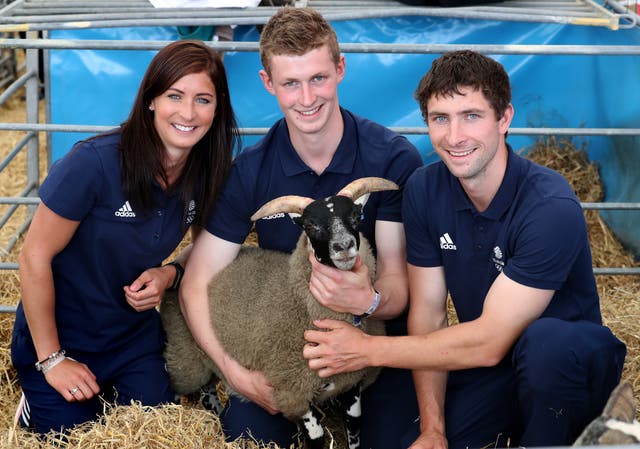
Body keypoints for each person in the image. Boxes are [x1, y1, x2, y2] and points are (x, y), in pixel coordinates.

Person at [302, 50, 627, 449]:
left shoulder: (549, 207)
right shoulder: (424, 190)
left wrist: (367, 349)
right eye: (440, 118)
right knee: (393, 441)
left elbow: (489, 340)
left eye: (471, 115)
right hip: (497, 365)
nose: (454, 137)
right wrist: (432, 430)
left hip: (570, 366)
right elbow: (429, 315)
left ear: (504, 119)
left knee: (546, 346)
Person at [180, 7, 423, 449]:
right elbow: (196, 284)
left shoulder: (391, 159)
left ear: (340, 69)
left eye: (318, 79)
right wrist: (236, 374)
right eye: (290, 83)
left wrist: (366, 301)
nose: (306, 98)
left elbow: (397, 281)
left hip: (372, 348)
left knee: (394, 439)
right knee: (249, 434)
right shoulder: (249, 173)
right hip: (288, 351)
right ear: (267, 83)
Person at [11, 39, 240, 434]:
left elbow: (205, 253)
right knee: (69, 433)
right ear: (151, 99)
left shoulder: (207, 170)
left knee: (156, 427)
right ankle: (33, 399)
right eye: (174, 96)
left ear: (217, 107)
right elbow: (33, 257)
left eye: (203, 99)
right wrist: (52, 360)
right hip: (63, 334)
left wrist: (169, 275)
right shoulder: (93, 163)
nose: (188, 113)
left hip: (131, 336)